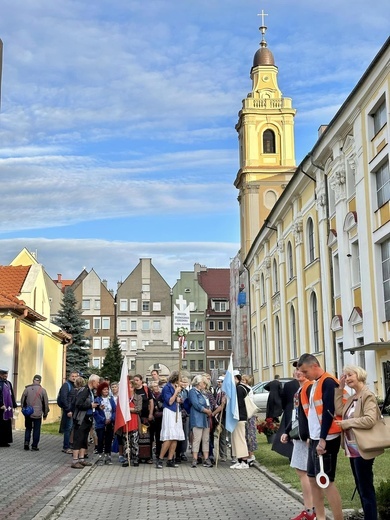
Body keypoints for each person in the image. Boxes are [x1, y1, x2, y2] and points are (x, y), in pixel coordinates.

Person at [297, 353, 343, 520]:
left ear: (314, 366)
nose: (303, 374)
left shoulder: (328, 382)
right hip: (316, 437)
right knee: (312, 478)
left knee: (326, 481)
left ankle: (338, 518)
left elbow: (329, 412)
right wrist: (313, 436)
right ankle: (321, 517)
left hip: (328, 438)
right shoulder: (315, 383)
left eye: (305, 371)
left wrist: (322, 439)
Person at [335, 365, 382, 520]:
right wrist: (339, 389)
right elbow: (340, 411)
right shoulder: (352, 397)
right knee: (361, 487)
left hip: (364, 448)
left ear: (359, 374)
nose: (347, 378)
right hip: (353, 449)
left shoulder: (367, 395)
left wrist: (347, 424)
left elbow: (369, 420)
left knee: (365, 488)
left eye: (350, 375)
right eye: (345, 376)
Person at [281, 365, 315, 520]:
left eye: (301, 369)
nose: (298, 372)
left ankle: (311, 510)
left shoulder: (308, 388)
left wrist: (309, 434)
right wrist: (287, 431)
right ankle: (308, 509)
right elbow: (296, 414)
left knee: (306, 473)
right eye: (296, 369)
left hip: (305, 437)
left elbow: (311, 414)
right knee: (301, 472)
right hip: (298, 435)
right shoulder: (299, 390)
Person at [155, 371, 186, 469]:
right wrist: (176, 392)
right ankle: (160, 459)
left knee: (175, 436)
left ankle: (170, 459)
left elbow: (176, 400)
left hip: (177, 411)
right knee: (169, 436)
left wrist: (179, 399)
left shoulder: (175, 387)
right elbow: (169, 401)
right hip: (169, 412)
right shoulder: (167, 388)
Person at [70, 374, 100, 469]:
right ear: (93, 381)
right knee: (78, 439)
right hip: (81, 419)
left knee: (84, 439)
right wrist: (90, 405)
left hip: (88, 418)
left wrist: (98, 406)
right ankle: (75, 460)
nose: (99, 384)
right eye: (98, 382)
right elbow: (78, 404)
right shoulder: (84, 390)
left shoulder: (90, 391)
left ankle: (82, 459)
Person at [189, 375, 213, 468]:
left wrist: (209, 409)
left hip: (205, 419)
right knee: (197, 439)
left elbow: (208, 402)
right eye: (204, 383)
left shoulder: (203, 392)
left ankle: (206, 458)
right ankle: (194, 458)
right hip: (197, 418)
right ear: (199, 383)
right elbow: (195, 404)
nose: (205, 385)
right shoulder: (193, 392)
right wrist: (205, 410)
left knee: (206, 439)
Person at [20, 375, 49, 451]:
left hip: (28, 413)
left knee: (28, 428)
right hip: (38, 414)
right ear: (40, 381)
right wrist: (45, 413)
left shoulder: (27, 389)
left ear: (33, 380)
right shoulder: (43, 391)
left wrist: (23, 409)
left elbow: (22, 400)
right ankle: (34, 445)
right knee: (36, 430)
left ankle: (26, 442)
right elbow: (45, 404)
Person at [119, 378, 142, 467]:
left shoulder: (138, 397)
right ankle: (126, 458)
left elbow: (138, 409)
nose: (129, 389)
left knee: (134, 441)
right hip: (125, 421)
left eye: (131, 387)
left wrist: (128, 409)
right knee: (126, 441)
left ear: (134, 388)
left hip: (134, 420)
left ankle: (135, 458)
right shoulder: (123, 398)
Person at [230, 371, 249, 470]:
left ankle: (244, 461)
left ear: (237, 378)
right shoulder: (239, 388)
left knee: (240, 439)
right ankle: (239, 460)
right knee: (235, 440)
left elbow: (239, 404)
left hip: (240, 417)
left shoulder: (239, 389)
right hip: (238, 417)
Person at [94, 381, 116, 466]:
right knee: (100, 439)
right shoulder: (97, 399)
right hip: (101, 424)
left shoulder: (111, 399)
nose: (106, 391)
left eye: (107, 389)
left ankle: (108, 455)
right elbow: (95, 412)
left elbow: (114, 410)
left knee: (108, 439)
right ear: (101, 391)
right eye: (104, 390)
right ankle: (100, 456)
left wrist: (111, 418)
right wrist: (103, 419)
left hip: (109, 422)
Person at [133, 374, 154, 463]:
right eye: (134, 380)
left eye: (137, 380)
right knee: (137, 437)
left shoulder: (146, 389)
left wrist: (151, 413)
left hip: (145, 418)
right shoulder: (132, 390)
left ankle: (148, 456)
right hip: (136, 417)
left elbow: (151, 401)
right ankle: (138, 456)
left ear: (141, 381)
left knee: (147, 437)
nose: (135, 382)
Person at [58, 370, 78, 454]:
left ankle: (70, 445)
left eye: (75, 376)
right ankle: (66, 447)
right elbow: (64, 398)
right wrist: (68, 410)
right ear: (69, 377)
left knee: (71, 429)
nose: (74, 378)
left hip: (73, 411)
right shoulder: (66, 385)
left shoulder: (74, 385)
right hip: (68, 411)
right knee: (68, 429)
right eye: (72, 376)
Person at [241, 374, 258, 466]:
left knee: (250, 435)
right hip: (245, 414)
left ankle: (251, 455)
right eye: (242, 380)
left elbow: (249, 402)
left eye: (244, 380)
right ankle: (247, 454)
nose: (242, 381)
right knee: (245, 435)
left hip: (249, 414)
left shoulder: (248, 389)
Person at [0, 368, 17, 447]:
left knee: (7, 425)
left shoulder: (8, 383)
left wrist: (14, 405)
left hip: (8, 408)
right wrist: (0, 404)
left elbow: (11, 395)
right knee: (1, 425)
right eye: (4, 375)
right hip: (1, 408)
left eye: (6, 375)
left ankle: (5, 441)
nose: (5, 376)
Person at [213, 376, 227, 462]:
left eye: (221, 382)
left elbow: (222, 406)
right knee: (219, 435)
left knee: (223, 436)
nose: (219, 383)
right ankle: (221, 454)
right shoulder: (218, 391)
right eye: (218, 381)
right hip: (218, 416)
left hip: (224, 415)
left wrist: (214, 413)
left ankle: (224, 455)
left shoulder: (225, 392)